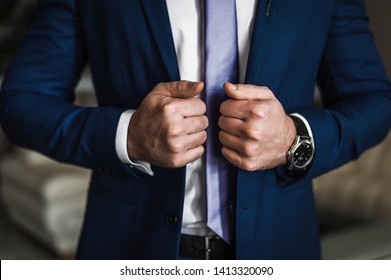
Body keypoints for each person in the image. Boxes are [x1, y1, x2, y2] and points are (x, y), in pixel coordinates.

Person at [1, 0, 390, 260]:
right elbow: (20, 102)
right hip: (129, 246)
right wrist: (128, 135)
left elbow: (374, 100)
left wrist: (295, 139)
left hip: (280, 245)